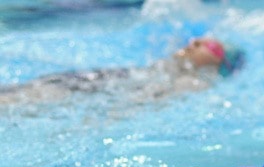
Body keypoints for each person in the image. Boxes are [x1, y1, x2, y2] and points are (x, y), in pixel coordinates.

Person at [0, 36, 244, 105]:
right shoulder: (165, 65)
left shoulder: (195, 83)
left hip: (93, 94)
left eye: (208, 45)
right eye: (195, 39)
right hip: (96, 81)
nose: (193, 43)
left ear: (220, 63)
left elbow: (143, 102)